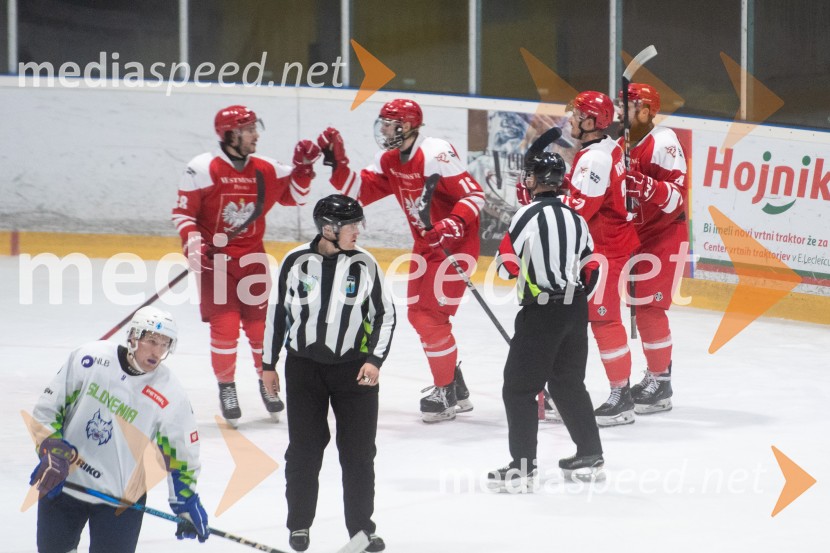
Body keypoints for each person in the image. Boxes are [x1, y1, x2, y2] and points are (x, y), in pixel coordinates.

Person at [315, 98, 485, 422]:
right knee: (419, 314)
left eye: (389, 124)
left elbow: (474, 195)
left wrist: (452, 223)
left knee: (429, 318)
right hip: (425, 245)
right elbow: (359, 192)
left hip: (456, 245)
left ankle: (446, 389)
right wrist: (338, 164)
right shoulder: (390, 159)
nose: (383, 129)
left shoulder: (435, 152)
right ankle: (454, 383)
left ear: (406, 126)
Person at [171, 104, 322, 427]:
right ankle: (227, 387)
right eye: (248, 129)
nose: (256, 135)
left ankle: (267, 383)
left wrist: (305, 168)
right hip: (217, 264)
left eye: (256, 127)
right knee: (224, 330)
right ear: (229, 135)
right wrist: (193, 243)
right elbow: (184, 215)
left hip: (253, 260)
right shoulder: (202, 168)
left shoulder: (267, 168)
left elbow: (295, 196)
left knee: (259, 330)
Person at [262, 194, 395, 552]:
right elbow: (278, 314)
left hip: (356, 374)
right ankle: (299, 525)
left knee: (358, 453)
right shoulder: (295, 261)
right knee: (304, 451)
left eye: (357, 223)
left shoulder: (365, 264)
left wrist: (374, 360)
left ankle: (361, 531)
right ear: (328, 229)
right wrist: (268, 364)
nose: (357, 231)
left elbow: (385, 314)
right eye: (351, 225)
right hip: (304, 371)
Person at [29, 307, 209, 552]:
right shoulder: (89, 358)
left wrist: (184, 499)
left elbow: (182, 451)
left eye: (164, 344)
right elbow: (48, 410)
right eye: (151, 341)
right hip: (65, 486)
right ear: (133, 336)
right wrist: (51, 450)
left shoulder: (169, 392)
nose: (157, 351)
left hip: (121, 502)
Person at [490, 152, 604, 491]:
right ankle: (590, 453)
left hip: (541, 313)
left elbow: (505, 268)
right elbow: (592, 267)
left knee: (519, 389)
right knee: (568, 384)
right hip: (575, 311)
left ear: (534, 180)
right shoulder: (576, 217)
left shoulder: (525, 214)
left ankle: (522, 468)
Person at [560, 91, 641, 426]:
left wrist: (544, 202)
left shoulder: (595, 158)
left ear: (592, 122)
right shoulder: (607, 147)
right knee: (585, 318)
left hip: (604, 250)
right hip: (607, 245)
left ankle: (621, 396)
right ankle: (568, 388)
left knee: (605, 320)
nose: (571, 120)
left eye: (577, 115)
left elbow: (581, 208)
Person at [617, 83, 689, 414]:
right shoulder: (621, 143)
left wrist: (649, 187)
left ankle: (660, 382)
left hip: (664, 235)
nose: (620, 110)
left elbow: (676, 199)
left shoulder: (663, 142)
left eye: (628, 105)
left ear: (646, 111)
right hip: (636, 237)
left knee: (650, 309)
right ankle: (656, 376)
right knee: (637, 306)